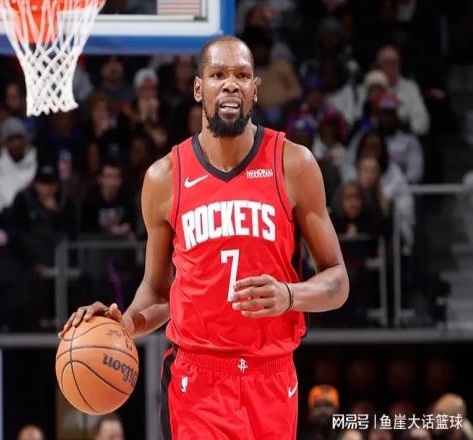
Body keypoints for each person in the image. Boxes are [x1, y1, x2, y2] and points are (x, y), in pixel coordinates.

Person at [61, 35, 349, 439]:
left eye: (242, 75)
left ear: (254, 89)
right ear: (199, 88)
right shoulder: (164, 178)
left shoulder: (293, 164)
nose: (231, 84)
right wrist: (122, 324)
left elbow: (337, 281)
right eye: (218, 75)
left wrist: (289, 295)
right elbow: (157, 291)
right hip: (197, 382)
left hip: (272, 376)